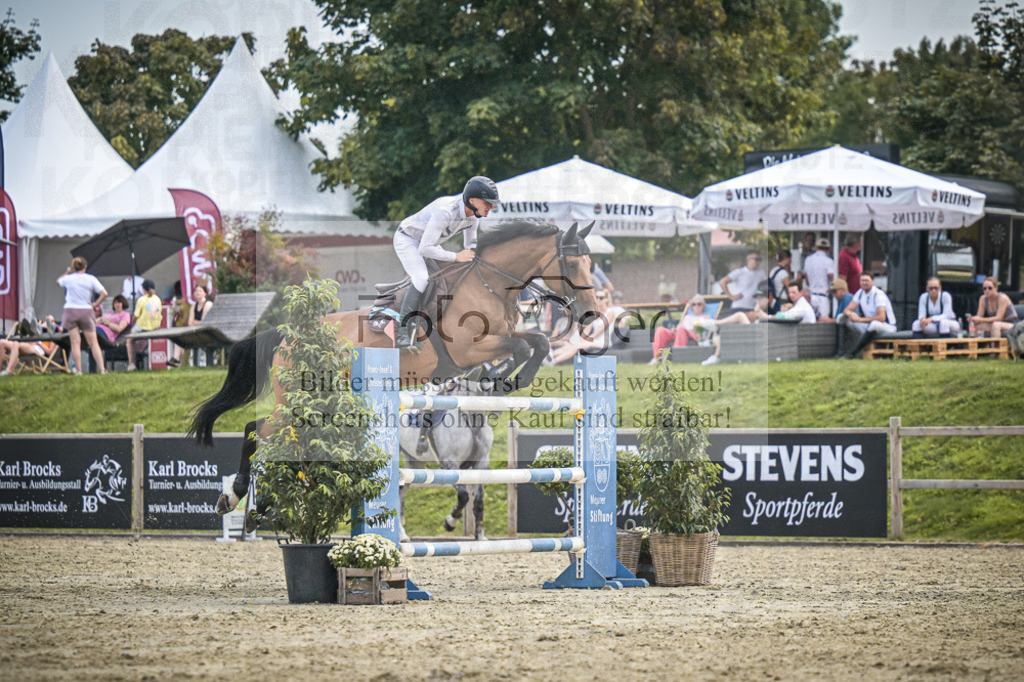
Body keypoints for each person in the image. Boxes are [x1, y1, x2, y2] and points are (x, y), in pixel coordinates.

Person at [392, 176, 500, 349]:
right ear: (472, 200)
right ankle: (402, 334)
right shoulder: (445, 212)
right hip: (408, 240)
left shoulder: (473, 218)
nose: (491, 207)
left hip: (428, 245)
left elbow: (471, 247)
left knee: (442, 278)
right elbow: (424, 249)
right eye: (487, 203)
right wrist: (456, 257)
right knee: (421, 278)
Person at [57, 257, 107, 375]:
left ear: (74, 267)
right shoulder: (90, 279)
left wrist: (67, 273)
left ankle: (79, 370)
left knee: (75, 343)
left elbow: (58, 281)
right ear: (85, 267)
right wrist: (96, 304)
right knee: (93, 342)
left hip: (70, 310)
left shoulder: (68, 278)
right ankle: (102, 369)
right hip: (86, 310)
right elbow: (104, 293)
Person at [837, 273, 897, 358]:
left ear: (873, 281)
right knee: (841, 318)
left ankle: (852, 353)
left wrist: (859, 319)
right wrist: (851, 314)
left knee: (874, 324)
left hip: (887, 327)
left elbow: (881, 318)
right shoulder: (860, 292)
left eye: (867, 280)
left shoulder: (878, 294)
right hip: (869, 326)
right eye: (862, 280)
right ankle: (840, 352)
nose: (864, 283)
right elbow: (847, 309)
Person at [650, 293, 715, 363]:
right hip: (679, 333)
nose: (696, 306)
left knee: (682, 330)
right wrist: (674, 330)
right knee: (660, 330)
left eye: (699, 304)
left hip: (693, 335)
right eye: (694, 304)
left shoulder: (706, 317)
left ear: (703, 306)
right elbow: (679, 327)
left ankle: (676, 357)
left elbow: (703, 332)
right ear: (692, 307)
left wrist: (684, 330)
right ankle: (656, 358)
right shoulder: (687, 317)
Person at [169, 285, 214, 367]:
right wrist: (197, 322)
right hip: (195, 332)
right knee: (178, 338)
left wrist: (195, 322)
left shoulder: (208, 304)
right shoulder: (194, 306)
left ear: (205, 293)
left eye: (200, 291)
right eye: (196, 291)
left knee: (183, 339)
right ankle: (176, 360)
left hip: (207, 333)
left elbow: (204, 322)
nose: (197, 293)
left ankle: (178, 361)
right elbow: (190, 323)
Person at [127, 279, 162, 371]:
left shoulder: (141, 300)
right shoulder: (158, 299)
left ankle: (131, 363)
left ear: (144, 290)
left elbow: (136, 315)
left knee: (129, 339)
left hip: (142, 327)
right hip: (155, 327)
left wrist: (131, 323)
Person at [802, 237, 835, 320]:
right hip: (823, 296)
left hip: (811, 295)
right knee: (823, 321)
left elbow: (807, 281)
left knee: (810, 320)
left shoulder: (808, 260)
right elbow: (832, 278)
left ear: (816, 247)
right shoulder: (829, 261)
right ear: (828, 249)